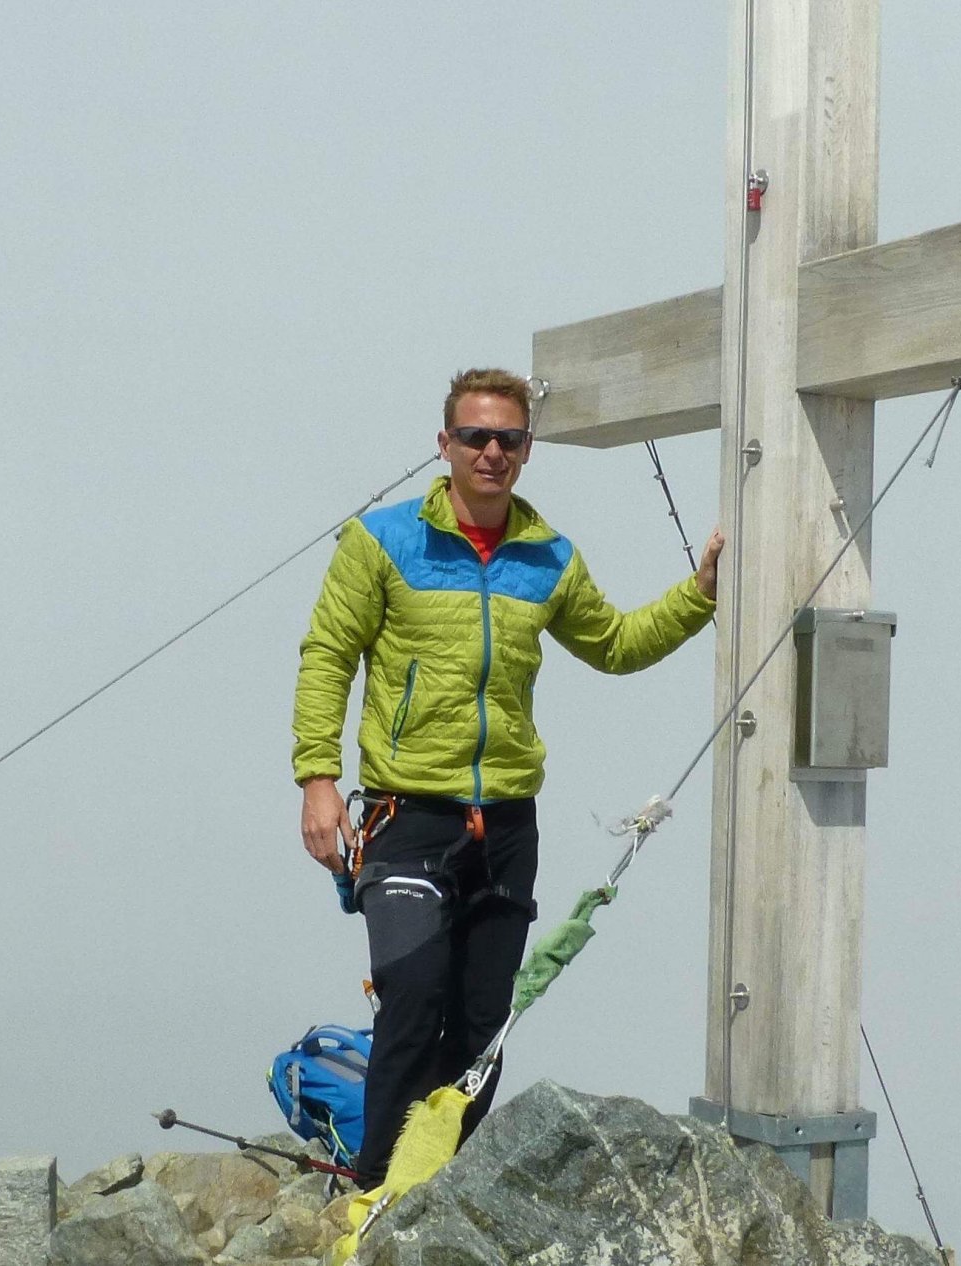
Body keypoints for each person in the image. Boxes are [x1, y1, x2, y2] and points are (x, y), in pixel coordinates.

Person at [291, 367, 724, 1186]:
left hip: (506, 825)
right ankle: (376, 1193)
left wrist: (699, 594)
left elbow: (615, 644)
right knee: (414, 998)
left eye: (509, 439)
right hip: (405, 815)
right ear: (444, 444)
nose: (492, 452)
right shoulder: (380, 541)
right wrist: (317, 778)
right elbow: (327, 656)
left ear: (528, 449)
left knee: (484, 1025)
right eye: (475, 436)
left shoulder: (547, 556)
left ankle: (443, 1190)